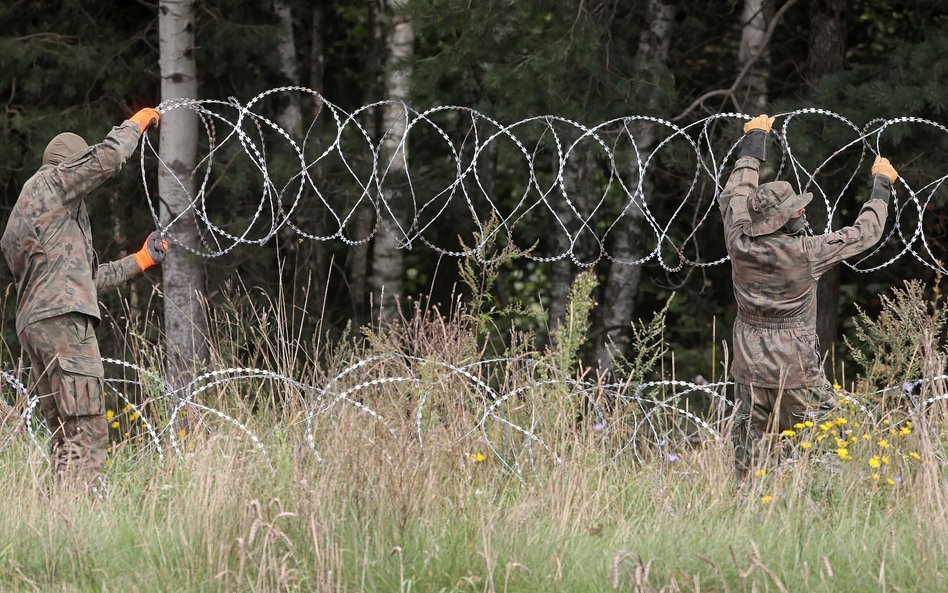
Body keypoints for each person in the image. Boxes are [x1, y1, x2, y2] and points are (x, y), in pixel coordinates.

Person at [718, 114, 897, 479]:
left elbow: (736, 190)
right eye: (794, 209)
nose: (801, 210)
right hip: (794, 368)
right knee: (830, 440)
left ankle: (746, 513)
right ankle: (819, 504)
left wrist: (754, 140)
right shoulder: (807, 251)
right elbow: (866, 232)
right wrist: (882, 185)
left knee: (750, 458)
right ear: (782, 219)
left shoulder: (737, 238)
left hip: (748, 364)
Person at [1, 108, 169, 491]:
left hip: (37, 326)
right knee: (89, 429)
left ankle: (62, 521)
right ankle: (79, 516)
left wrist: (140, 261)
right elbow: (107, 158)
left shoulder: (37, 215)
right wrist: (136, 123)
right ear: (68, 166)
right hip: (64, 324)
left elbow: (84, 280)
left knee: (66, 436)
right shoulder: (51, 184)